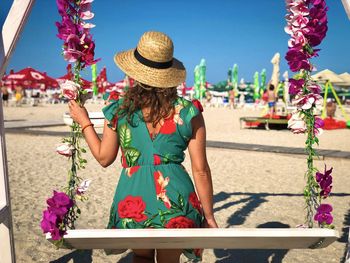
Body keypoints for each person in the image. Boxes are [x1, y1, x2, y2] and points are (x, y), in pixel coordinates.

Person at [68, 31, 218, 263]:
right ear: (169, 74)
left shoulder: (119, 110)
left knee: (141, 258)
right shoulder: (189, 111)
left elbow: (104, 157)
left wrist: (84, 121)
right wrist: (208, 217)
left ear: (135, 72)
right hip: (176, 204)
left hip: (132, 203)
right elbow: (201, 170)